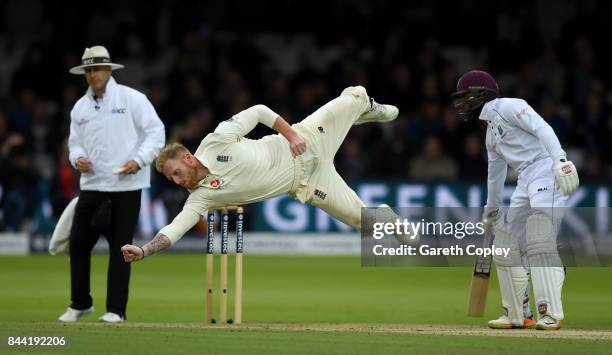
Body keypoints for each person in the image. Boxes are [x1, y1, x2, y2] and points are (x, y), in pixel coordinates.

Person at [120, 86, 411, 263]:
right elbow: (176, 228)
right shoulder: (201, 197)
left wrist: (292, 135)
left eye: (177, 173)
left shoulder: (216, 139)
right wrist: (145, 250)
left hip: (308, 138)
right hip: (310, 184)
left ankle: (369, 108)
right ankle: (387, 216)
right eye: (172, 179)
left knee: (354, 96)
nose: (178, 181)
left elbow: (259, 111)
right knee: (370, 226)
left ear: (187, 157)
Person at [451, 70, 579, 330]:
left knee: (539, 239)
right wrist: (491, 210)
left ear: (481, 94)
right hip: (524, 179)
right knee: (505, 242)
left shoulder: (510, 106)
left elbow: (541, 127)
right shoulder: (490, 136)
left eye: (465, 97)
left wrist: (560, 160)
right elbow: (495, 175)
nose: (462, 104)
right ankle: (517, 313)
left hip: (546, 169)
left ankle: (550, 313)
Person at [58, 46, 166, 323]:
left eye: (97, 69)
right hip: (93, 185)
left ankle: (116, 310)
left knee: (121, 248)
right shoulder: (80, 107)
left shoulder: (133, 99)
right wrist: (77, 158)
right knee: (79, 245)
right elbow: (75, 143)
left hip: (126, 186)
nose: (93, 74)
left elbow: (156, 133)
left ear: (108, 70)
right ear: (85, 74)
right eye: (89, 70)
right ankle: (80, 303)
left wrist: (138, 160)